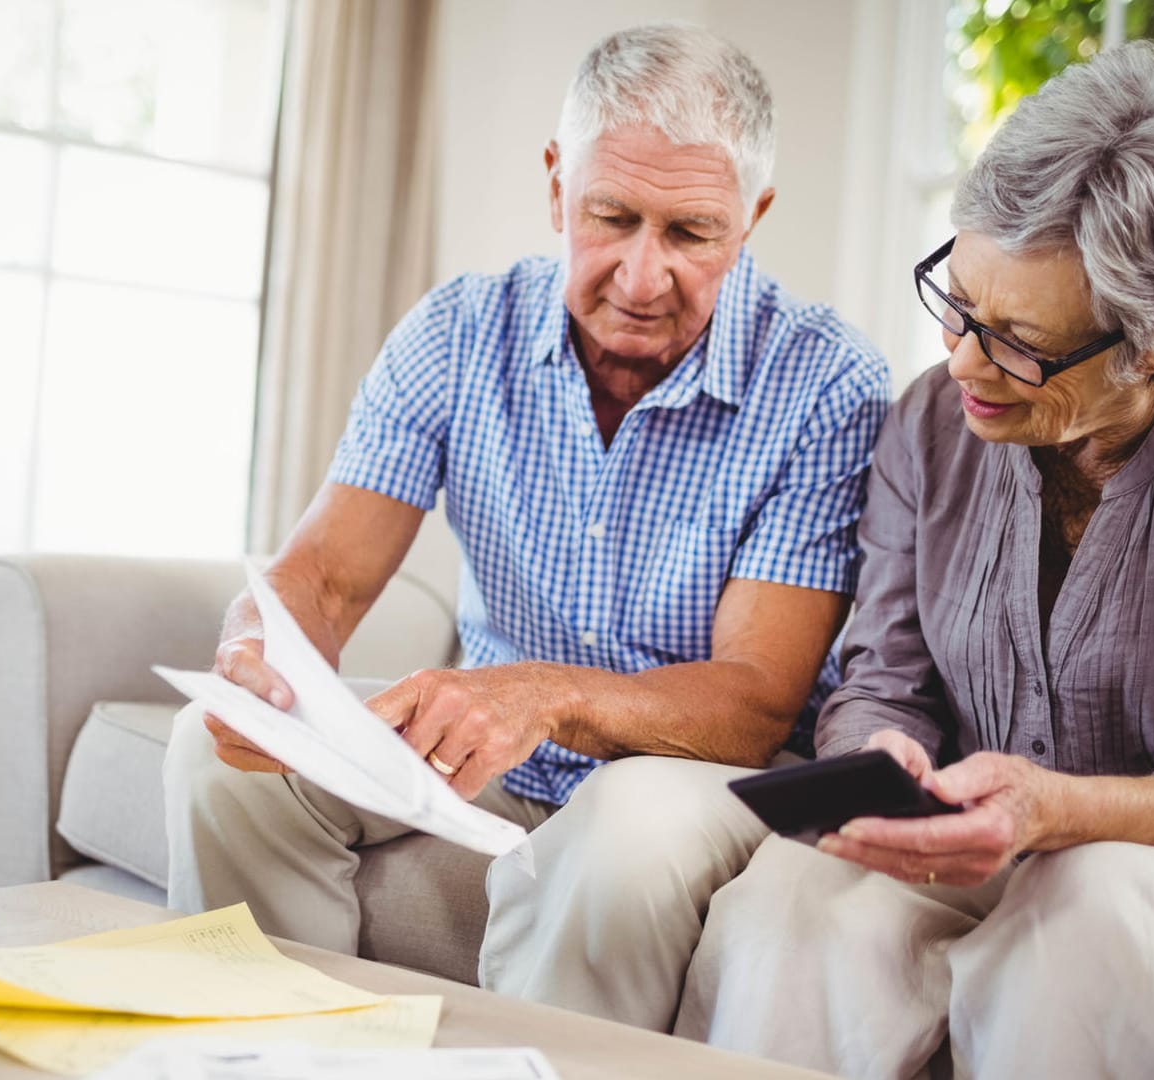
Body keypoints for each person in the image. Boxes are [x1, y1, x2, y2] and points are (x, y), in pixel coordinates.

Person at [163, 24, 888, 1032]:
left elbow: (757, 702)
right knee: (214, 755)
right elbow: (323, 578)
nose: (641, 277)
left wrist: (542, 697)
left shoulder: (828, 382)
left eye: (691, 233)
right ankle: (282, 1053)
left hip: (694, 773)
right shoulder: (459, 330)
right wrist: (259, 653)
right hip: (491, 754)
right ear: (557, 187)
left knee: (623, 831)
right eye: (612, 217)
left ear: (752, 215)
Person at [688, 36, 1154, 1078]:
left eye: (1018, 340)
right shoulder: (929, 426)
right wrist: (883, 755)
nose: (961, 361)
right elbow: (883, 679)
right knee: (795, 892)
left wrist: (1062, 811)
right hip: (970, 840)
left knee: (1091, 905)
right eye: (957, 302)